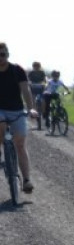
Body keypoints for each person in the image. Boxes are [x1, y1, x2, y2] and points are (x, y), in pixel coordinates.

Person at [0, 42, 38, 192]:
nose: (0, 57)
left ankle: (27, 180)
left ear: (7, 55)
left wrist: (31, 108)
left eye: (2, 54)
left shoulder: (17, 70)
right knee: (1, 122)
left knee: (20, 144)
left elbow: (25, 89)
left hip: (16, 110)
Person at [27, 61, 46, 129]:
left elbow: (44, 80)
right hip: (33, 87)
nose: (36, 67)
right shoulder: (31, 73)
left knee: (43, 100)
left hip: (40, 87)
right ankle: (33, 113)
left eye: (37, 66)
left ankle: (43, 113)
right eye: (35, 66)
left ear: (39, 66)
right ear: (33, 67)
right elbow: (28, 79)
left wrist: (44, 83)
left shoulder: (42, 72)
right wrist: (30, 83)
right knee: (33, 100)